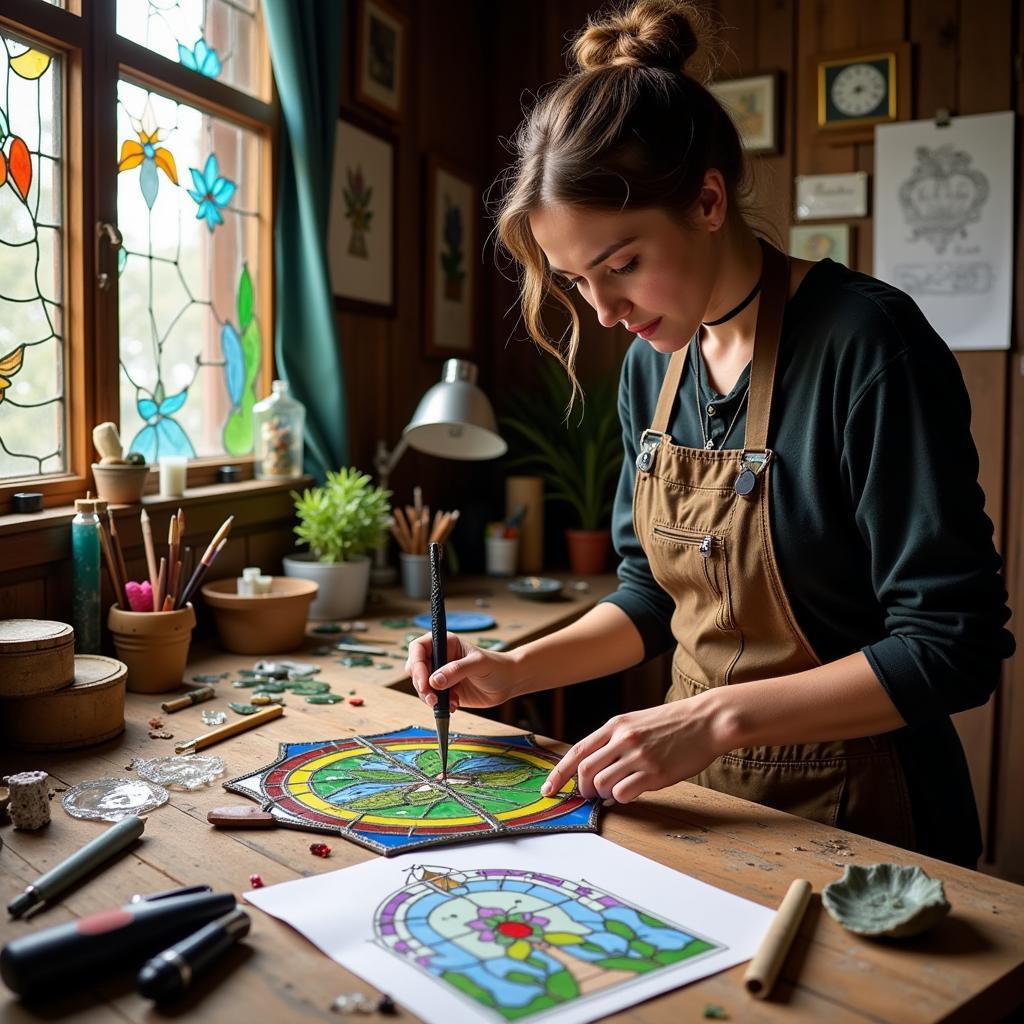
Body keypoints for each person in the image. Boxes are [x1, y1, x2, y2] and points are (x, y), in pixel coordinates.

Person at [406, 0, 1014, 868]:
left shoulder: (867, 345)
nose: (607, 312)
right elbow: (652, 601)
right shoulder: (654, 368)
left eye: (621, 265)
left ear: (708, 199)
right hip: (700, 798)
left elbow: (952, 647)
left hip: (869, 810)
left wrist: (712, 717)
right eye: (579, 281)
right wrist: (512, 670)